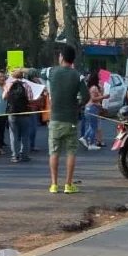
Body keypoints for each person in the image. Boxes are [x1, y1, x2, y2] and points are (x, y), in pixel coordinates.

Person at [48, 44, 89, 194]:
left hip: (55, 119)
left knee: (54, 152)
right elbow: (86, 96)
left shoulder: (52, 72)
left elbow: (35, 72)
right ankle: (68, 185)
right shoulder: (78, 76)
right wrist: (77, 106)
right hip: (71, 120)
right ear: (72, 60)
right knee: (70, 152)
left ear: (62, 57)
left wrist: (21, 71)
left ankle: (53, 184)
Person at [4, 69, 34, 163]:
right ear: (23, 76)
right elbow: (30, 99)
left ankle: (15, 156)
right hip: (24, 113)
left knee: (13, 135)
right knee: (25, 134)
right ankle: (24, 155)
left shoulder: (8, 85)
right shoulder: (27, 85)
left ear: (12, 76)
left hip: (12, 113)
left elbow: (4, 97)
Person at [81, 72, 104, 150]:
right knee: (94, 127)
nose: (99, 78)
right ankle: (91, 144)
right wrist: (104, 96)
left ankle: (84, 138)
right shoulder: (94, 87)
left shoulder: (91, 87)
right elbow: (94, 99)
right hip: (92, 108)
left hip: (89, 108)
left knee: (91, 126)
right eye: (98, 77)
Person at [27, 69, 45, 152]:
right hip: (30, 108)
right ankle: (30, 146)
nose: (37, 78)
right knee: (32, 128)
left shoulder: (36, 84)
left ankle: (31, 145)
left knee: (33, 128)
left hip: (35, 108)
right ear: (32, 78)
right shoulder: (28, 85)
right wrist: (39, 98)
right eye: (35, 77)